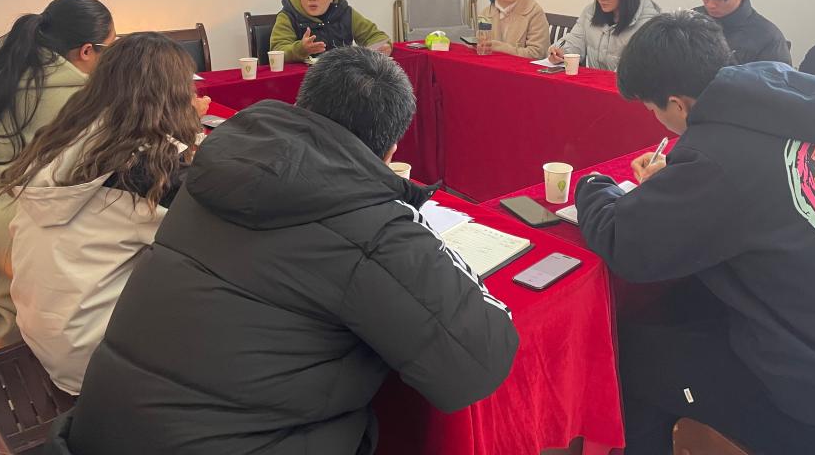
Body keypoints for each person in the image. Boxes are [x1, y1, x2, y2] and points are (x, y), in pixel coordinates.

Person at [55, 46, 519, 455]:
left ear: (302, 105)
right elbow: (477, 363)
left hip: (98, 431)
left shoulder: (215, 168)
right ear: (391, 149)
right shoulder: (371, 227)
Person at [575, 10, 815, 455]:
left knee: (626, 354)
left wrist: (594, 185)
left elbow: (626, 242)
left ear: (678, 104)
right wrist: (681, 183)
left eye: (653, 110)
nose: (657, 120)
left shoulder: (718, 155)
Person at [0, 32, 206, 394]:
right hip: (94, 360)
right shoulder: (147, 170)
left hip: (47, 331)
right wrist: (191, 140)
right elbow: (207, 236)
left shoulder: (67, 138)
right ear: (171, 96)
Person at [0, 0, 114, 354]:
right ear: (86, 51)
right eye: (109, 49)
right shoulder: (69, 95)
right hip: (2, 224)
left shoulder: (1, 60)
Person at [547, 0, 660, 71]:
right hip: (595, 81)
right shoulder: (590, 12)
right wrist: (561, 52)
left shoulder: (648, 25)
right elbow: (575, 40)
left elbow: (641, 70)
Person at [270, 0, 392, 63]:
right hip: (303, 80)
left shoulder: (344, 12)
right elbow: (277, 51)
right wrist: (301, 49)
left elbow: (375, 36)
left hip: (342, 76)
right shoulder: (288, 16)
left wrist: (382, 46)